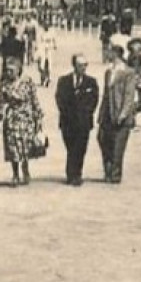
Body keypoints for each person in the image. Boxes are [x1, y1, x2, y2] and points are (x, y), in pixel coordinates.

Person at [0, 57, 44, 186]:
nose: (9, 73)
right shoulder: (4, 84)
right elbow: (0, 103)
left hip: (26, 118)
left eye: (11, 70)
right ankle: (15, 173)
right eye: (7, 70)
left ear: (18, 70)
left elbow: (34, 100)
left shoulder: (27, 82)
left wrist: (39, 116)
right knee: (12, 147)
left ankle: (25, 167)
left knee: (25, 146)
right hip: (11, 119)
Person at [96, 38, 140, 184]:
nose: (107, 53)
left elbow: (129, 96)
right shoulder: (108, 72)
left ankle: (115, 175)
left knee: (118, 147)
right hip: (107, 114)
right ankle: (108, 170)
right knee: (103, 140)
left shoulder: (128, 73)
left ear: (116, 53)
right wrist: (100, 114)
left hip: (121, 116)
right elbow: (105, 94)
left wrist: (123, 114)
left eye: (110, 51)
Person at [55, 54, 99, 185]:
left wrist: (85, 113)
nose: (83, 68)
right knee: (71, 148)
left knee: (80, 148)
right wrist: (69, 114)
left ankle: (75, 174)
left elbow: (93, 101)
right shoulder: (64, 81)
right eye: (80, 65)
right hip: (68, 122)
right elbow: (60, 99)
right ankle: (72, 173)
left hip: (84, 122)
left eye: (85, 65)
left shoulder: (91, 82)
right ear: (74, 66)